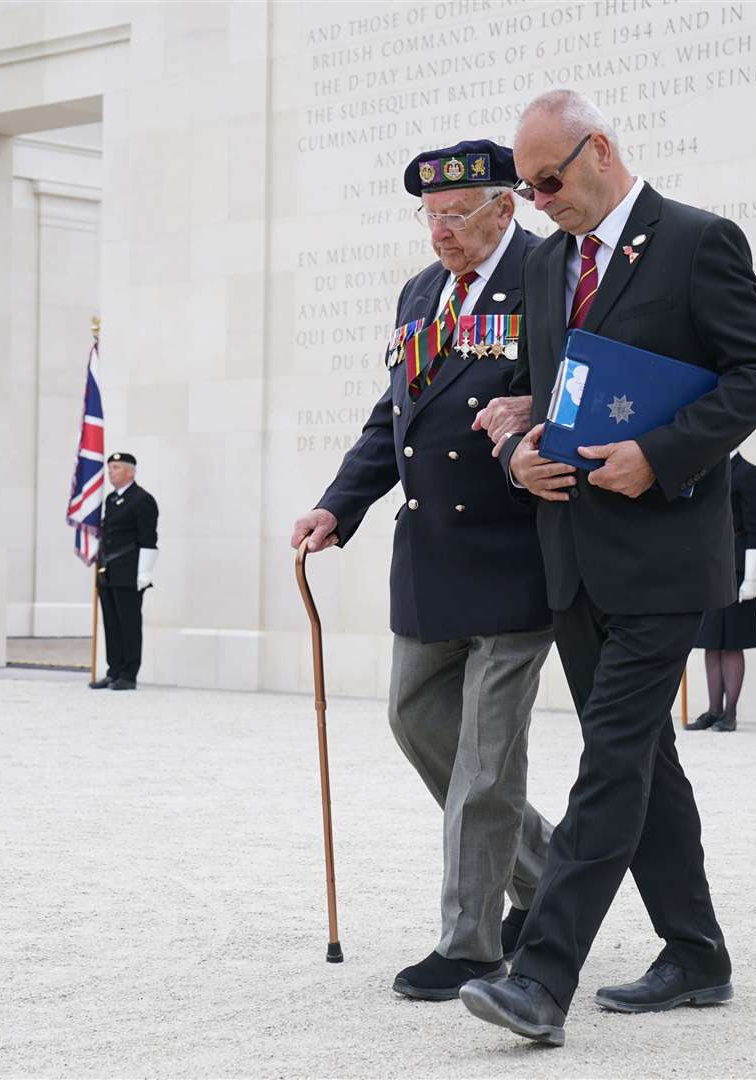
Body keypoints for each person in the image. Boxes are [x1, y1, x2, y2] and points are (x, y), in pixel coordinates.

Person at [464, 89, 756, 1047]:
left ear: (599, 149)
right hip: (572, 557)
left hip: (663, 558)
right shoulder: (548, 264)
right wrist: (512, 452)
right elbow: (537, 393)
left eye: (549, 180)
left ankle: (541, 978)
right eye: (525, 190)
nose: (539, 201)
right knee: (647, 761)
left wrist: (662, 452)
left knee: (608, 764)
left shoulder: (696, 241)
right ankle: (696, 954)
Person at [290, 140, 556, 1001]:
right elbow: (391, 417)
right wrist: (341, 503)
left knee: (485, 762)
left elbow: (579, 386)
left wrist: (539, 415)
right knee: (414, 722)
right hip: (430, 558)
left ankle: (471, 944)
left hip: (517, 555)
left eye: (459, 215)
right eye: (431, 216)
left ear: (504, 209)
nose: (441, 232)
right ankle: (553, 878)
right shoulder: (419, 293)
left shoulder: (547, 276)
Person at [686, 451, 756, 733]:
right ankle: (713, 709)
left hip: (736, 565)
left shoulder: (748, 473)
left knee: (732, 641)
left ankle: (730, 712)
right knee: (711, 641)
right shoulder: (706, 467)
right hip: (709, 564)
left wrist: (752, 577)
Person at [90, 452, 158, 691]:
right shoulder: (111, 499)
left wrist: (144, 572)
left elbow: (148, 537)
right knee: (111, 623)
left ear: (130, 471)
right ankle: (114, 670)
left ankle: (129, 674)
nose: (111, 472)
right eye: (110, 468)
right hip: (108, 569)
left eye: (116, 468)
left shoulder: (141, 499)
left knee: (128, 623)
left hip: (129, 571)